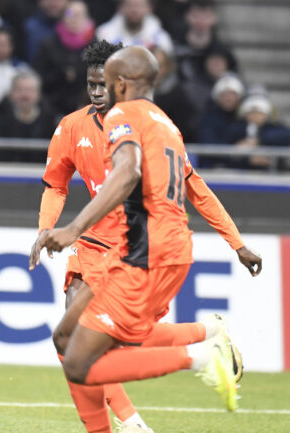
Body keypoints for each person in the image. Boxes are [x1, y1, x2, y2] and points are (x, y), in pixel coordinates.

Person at [37, 40, 262, 433]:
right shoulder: (163, 124)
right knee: (68, 338)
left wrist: (71, 228)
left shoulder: (123, 117)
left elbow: (130, 174)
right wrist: (52, 227)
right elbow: (57, 185)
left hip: (143, 248)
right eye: (93, 83)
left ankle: (199, 354)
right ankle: (204, 337)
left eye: (104, 82)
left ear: (121, 83)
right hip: (124, 246)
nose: (97, 90)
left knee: (90, 353)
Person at [34, 0, 96, 116]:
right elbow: (39, 78)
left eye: (79, 15)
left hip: (88, 108)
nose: (74, 19)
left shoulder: (96, 46)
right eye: (69, 14)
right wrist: (61, 74)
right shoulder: (48, 45)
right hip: (53, 109)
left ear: (87, 19)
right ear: (63, 17)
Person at [0, 71, 56, 162]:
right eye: (19, 90)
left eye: (30, 90)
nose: (25, 95)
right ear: (11, 94)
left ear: (38, 95)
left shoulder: (50, 120)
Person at [226, 93, 290, 170]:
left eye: (259, 113)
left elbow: (285, 136)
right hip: (241, 172)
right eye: (251, 113)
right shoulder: (237, 129)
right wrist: (249, 160)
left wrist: (258, 140)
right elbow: (226, 151)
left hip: (272, 171)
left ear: (266, 115)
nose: (255, 116)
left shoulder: (275, 127)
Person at [96, 0, 173, 53]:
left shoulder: (161, 40)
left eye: (139, 6)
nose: (134, 10)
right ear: (120, 8)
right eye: (129, 5)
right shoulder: (104, 35)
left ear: (150, 8)